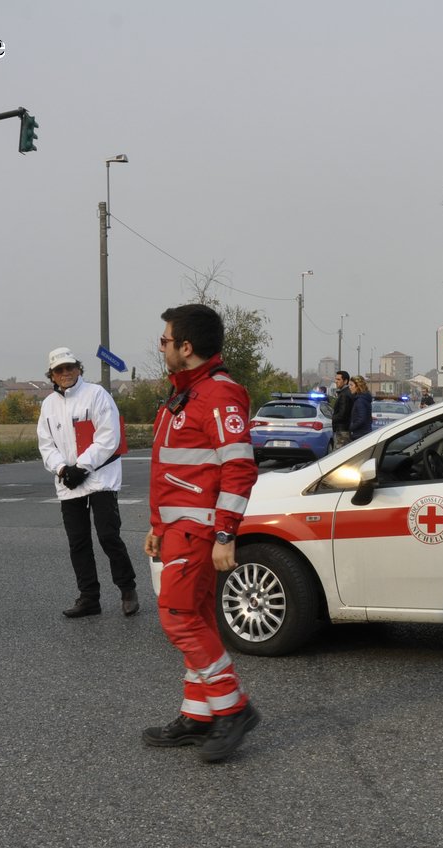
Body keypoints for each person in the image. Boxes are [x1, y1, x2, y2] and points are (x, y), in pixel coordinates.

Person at [142, 303, 260, 763]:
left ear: (186, 348)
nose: (161, 346)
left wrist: (225, 535)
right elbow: (169, 470)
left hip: (199, 531)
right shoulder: (185, 393)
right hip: (177, 529)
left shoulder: (219, 396)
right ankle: (199, 714)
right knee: (199, 618)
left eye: (166, 340)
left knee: (178, 618)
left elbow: (239, 468)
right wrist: (157, 527)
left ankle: (233, 708)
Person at [36, 347, 139, 618]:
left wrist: (82, 466)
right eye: (60, 370)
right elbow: (45, 444)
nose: (66, 373)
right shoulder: (48, 405)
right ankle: (89, 597)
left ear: (78, 369)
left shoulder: (96, 395)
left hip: (101, 478)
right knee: (78, 541)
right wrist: (62, 469)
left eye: (70, 367)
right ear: (53, 375)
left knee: (108, 535)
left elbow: (109, 437)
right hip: (68, 482)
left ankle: (127, 588)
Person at [330, 369, 354, 450]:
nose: (336, 381)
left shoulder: (344, 395)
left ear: (345, 381)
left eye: (339, 379)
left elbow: (342, 414)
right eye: (336, 379)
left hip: (342, 431)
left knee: (338, 455)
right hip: (342, 430)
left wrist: (332, 418)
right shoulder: (344, 393)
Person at [348, 375, 374, 439]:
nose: (349, 387)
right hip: (364, 433)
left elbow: (361, 418)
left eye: (351, 385)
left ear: (357, 386)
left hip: (360, 434)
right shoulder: (364, 399)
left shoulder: (360, 400)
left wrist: (351, 428)